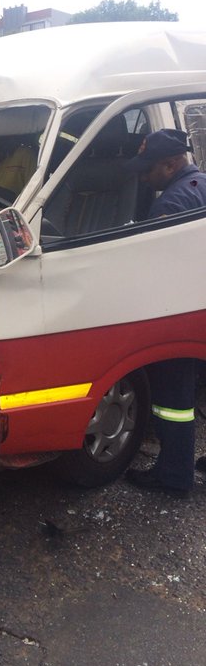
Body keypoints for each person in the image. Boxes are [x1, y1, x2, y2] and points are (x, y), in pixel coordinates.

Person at [124, 129, 206, 498]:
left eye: (149, 169)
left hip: (182, 315)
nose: (143, 177)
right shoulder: (201, 183)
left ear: (171, 164)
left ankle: (174, 477)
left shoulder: (170, 205)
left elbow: (152, 273)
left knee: (174, 402)